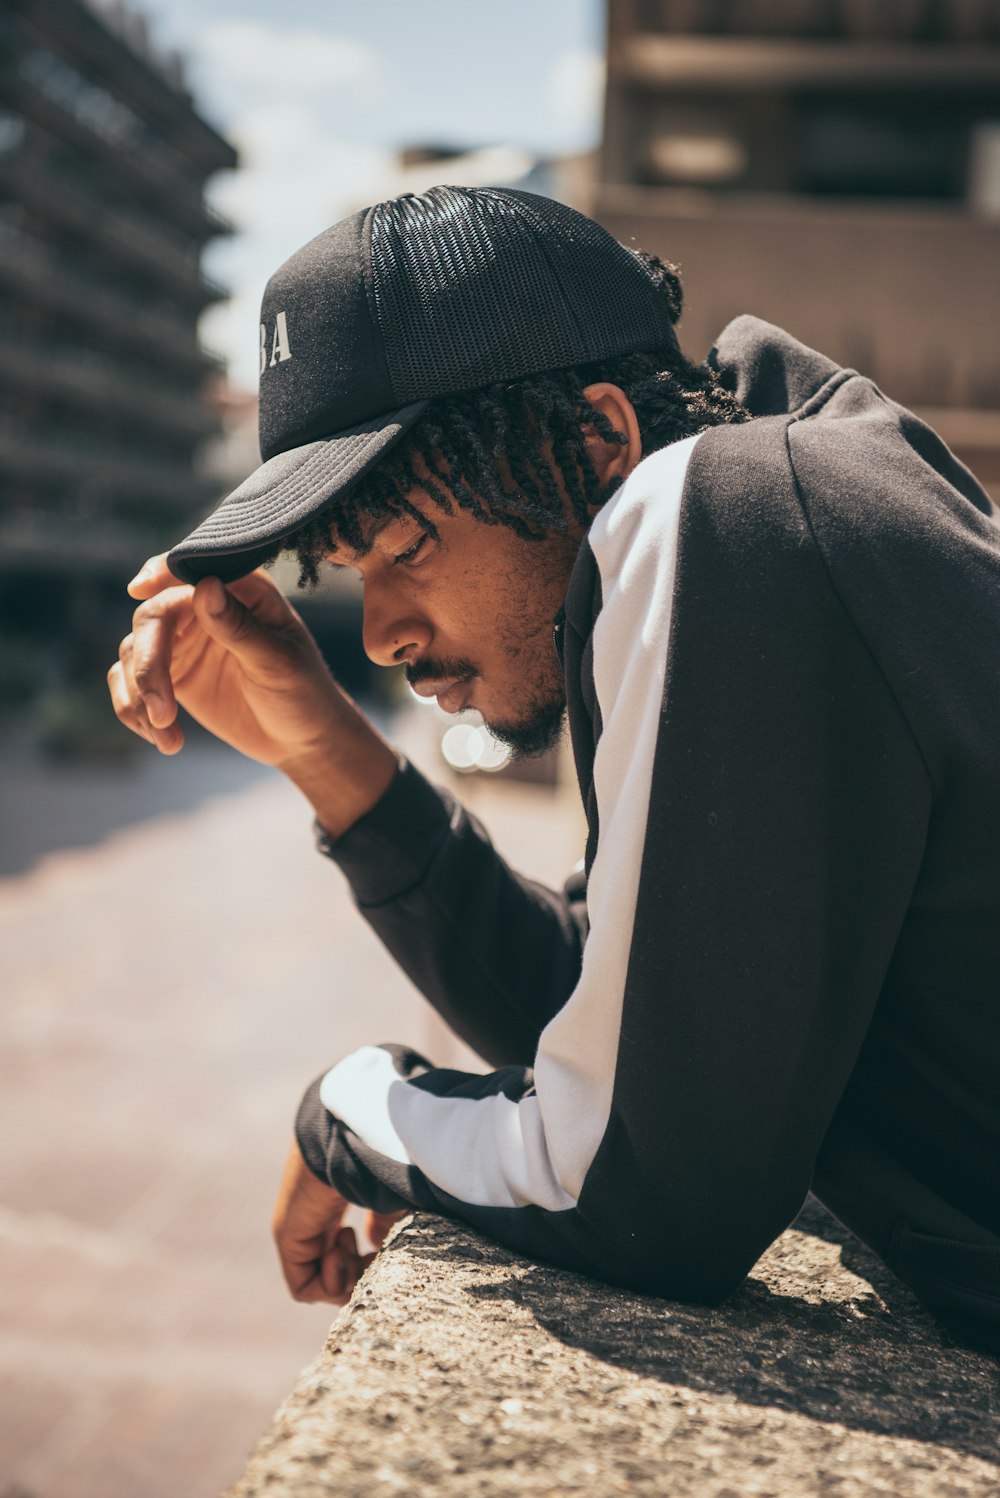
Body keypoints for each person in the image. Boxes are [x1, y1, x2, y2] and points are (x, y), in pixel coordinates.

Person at [108, 186, 1000, 1353]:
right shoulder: (767, 511)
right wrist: (330, 756)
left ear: (597, 442)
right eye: (350, 567)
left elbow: (640, 1188)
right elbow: (618, 1022)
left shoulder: (727, 511)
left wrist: (351, 1110)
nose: (378, 633)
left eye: (407, 544)